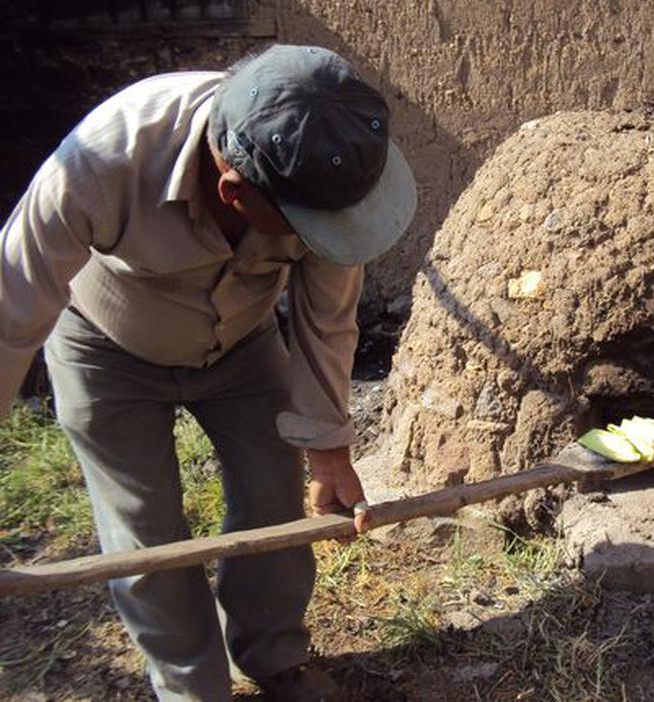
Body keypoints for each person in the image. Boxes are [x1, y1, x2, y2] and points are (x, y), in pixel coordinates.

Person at [0, 44, 417, 701]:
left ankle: (274, 655)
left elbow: (327, 319)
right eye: (311, 227)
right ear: (235, 192)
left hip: (242, 343)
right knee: (144, 531)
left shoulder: (326, 169)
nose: (332, 234)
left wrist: (329, 448)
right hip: (105, 346)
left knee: (273, 496)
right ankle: (192, 688)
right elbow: (8, 314)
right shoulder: (100, 164)